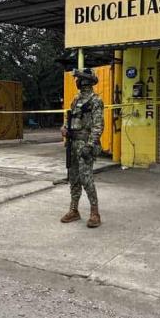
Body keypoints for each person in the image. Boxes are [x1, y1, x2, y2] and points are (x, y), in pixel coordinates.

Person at [61, 68, 105, 228]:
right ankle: (74, 210)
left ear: (87, 81)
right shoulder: (76, 99)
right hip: (72, 143)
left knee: (86, 178)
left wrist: (90, 145)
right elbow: (69, 118)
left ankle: (95, 213)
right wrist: (64, 128)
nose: (78, 82)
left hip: (85, 144)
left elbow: (98, 126)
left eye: (80, 80)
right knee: (73, 178)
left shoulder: (95, 100)